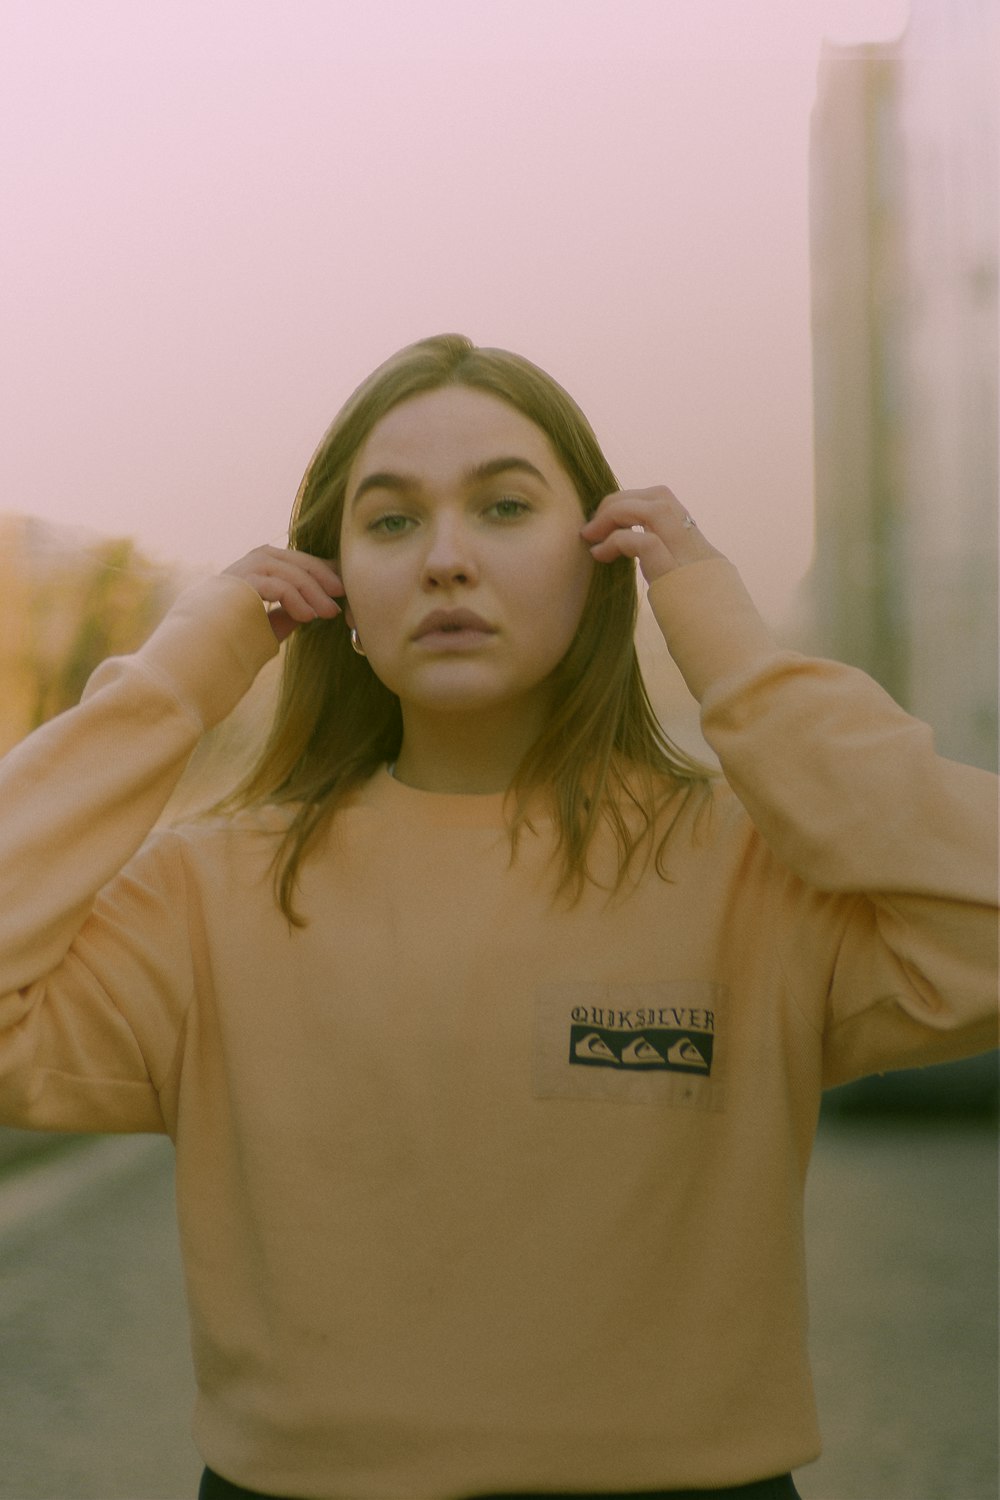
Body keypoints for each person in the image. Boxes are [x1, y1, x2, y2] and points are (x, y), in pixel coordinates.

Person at [0, 333, 995, 1500]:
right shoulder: (206, 893)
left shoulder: (750, 872)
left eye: (506, 507)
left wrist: (733, 651)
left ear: (600, 561)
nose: (446, 559)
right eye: (389, 522)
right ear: (335, 588)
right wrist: (176, 679)